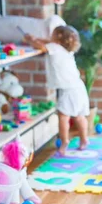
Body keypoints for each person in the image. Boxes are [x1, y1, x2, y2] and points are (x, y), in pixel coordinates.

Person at [24, 25, 89, 155]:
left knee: (63, 117)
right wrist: (38, 39)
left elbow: (42, 47)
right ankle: (84, 139)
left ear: (58, 38)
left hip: (68, 90)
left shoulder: (54, 48)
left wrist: (30, 40)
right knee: (80, 116)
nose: (49, 37)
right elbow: (48, 43)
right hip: (78, 86)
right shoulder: (66, 50)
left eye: (52, 35)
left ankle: (64, 141)